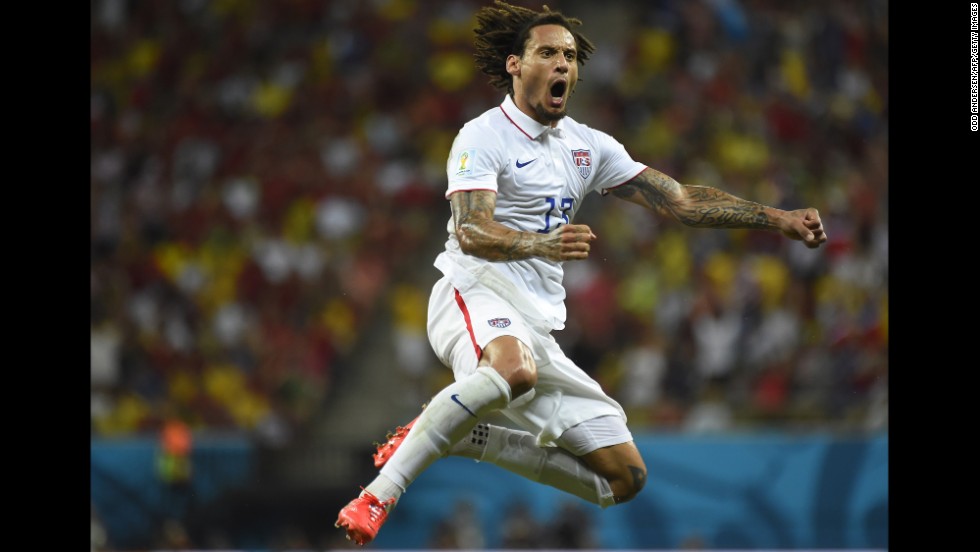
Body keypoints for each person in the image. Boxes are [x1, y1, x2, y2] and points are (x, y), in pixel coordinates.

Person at [335, 1, 827, 545]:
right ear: (515, 64)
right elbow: (472, 230)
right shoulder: (481, 136)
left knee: (623, 479)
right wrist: (540, 243)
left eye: (569, 55)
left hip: (536, 325)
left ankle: (466, 437)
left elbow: (682, 201)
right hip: (472, 290)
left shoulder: (588, 147)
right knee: (512, 368)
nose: (562, 64)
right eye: (547, 52)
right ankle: (379, 493)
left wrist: (775, 217)